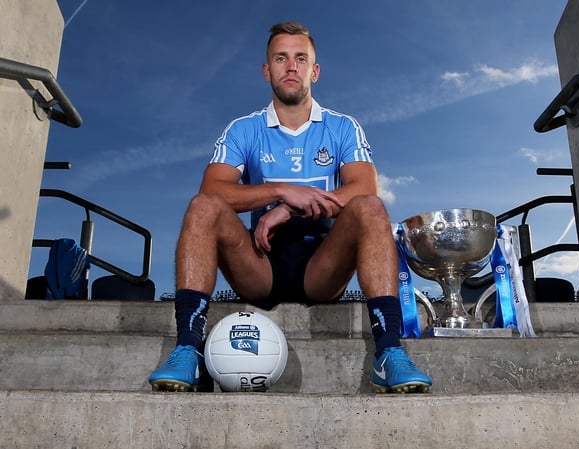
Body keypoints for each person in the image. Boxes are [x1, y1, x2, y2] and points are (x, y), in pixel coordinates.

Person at [147, 21, 431, 394]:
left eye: (300, 58)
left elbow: (363, 187)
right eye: (281, 58)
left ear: (315, 70)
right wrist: (280, 191)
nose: (291, 67)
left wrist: (292, 208)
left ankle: (389, 353)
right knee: (203, 207)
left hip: (322, 265)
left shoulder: (343, 127)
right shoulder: (244, 129)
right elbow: (213, 190)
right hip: (260, 264)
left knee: (371, 208)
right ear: (267, 71)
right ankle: (188, 349)